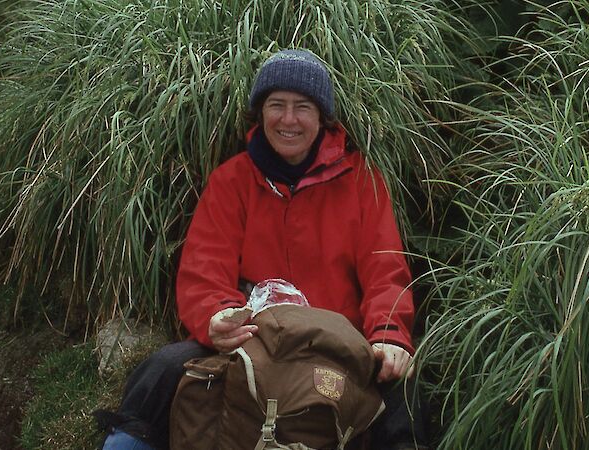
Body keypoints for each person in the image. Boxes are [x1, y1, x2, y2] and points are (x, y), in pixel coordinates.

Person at [97, 49, 427, 450]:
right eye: (277, 105)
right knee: (161, 370)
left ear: (323, 117)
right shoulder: (231, 181)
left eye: (302, 107)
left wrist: (389, 336)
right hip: (251, 338)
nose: (288, 120)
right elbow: (204, 269)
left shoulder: (362, 182)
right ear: (261, 113)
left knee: (405, 396)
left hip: (339, 345)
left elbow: (385, 272)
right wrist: (217, 317)